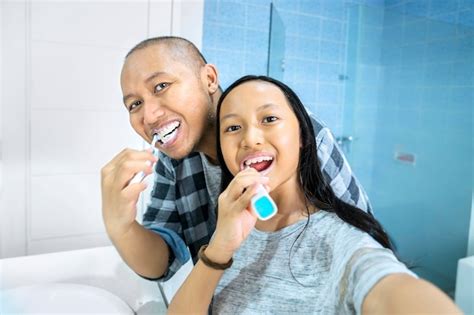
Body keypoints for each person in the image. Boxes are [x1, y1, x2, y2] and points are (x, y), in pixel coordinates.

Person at [167, 75, 461, 314]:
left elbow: (390, 288)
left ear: (304, 137)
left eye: (269, 119)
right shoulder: (229, 228)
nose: (250, 138)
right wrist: (220, 247)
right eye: (232, 127)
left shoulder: (341, 241)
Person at [101, 36, 372, 282]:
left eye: (161, 86)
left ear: (209, 79)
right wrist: (121, 226)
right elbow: (162, 263)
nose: (148, 116)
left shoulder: (297, 136)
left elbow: (363, 245)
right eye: (134, 104)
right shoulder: (172, 162)